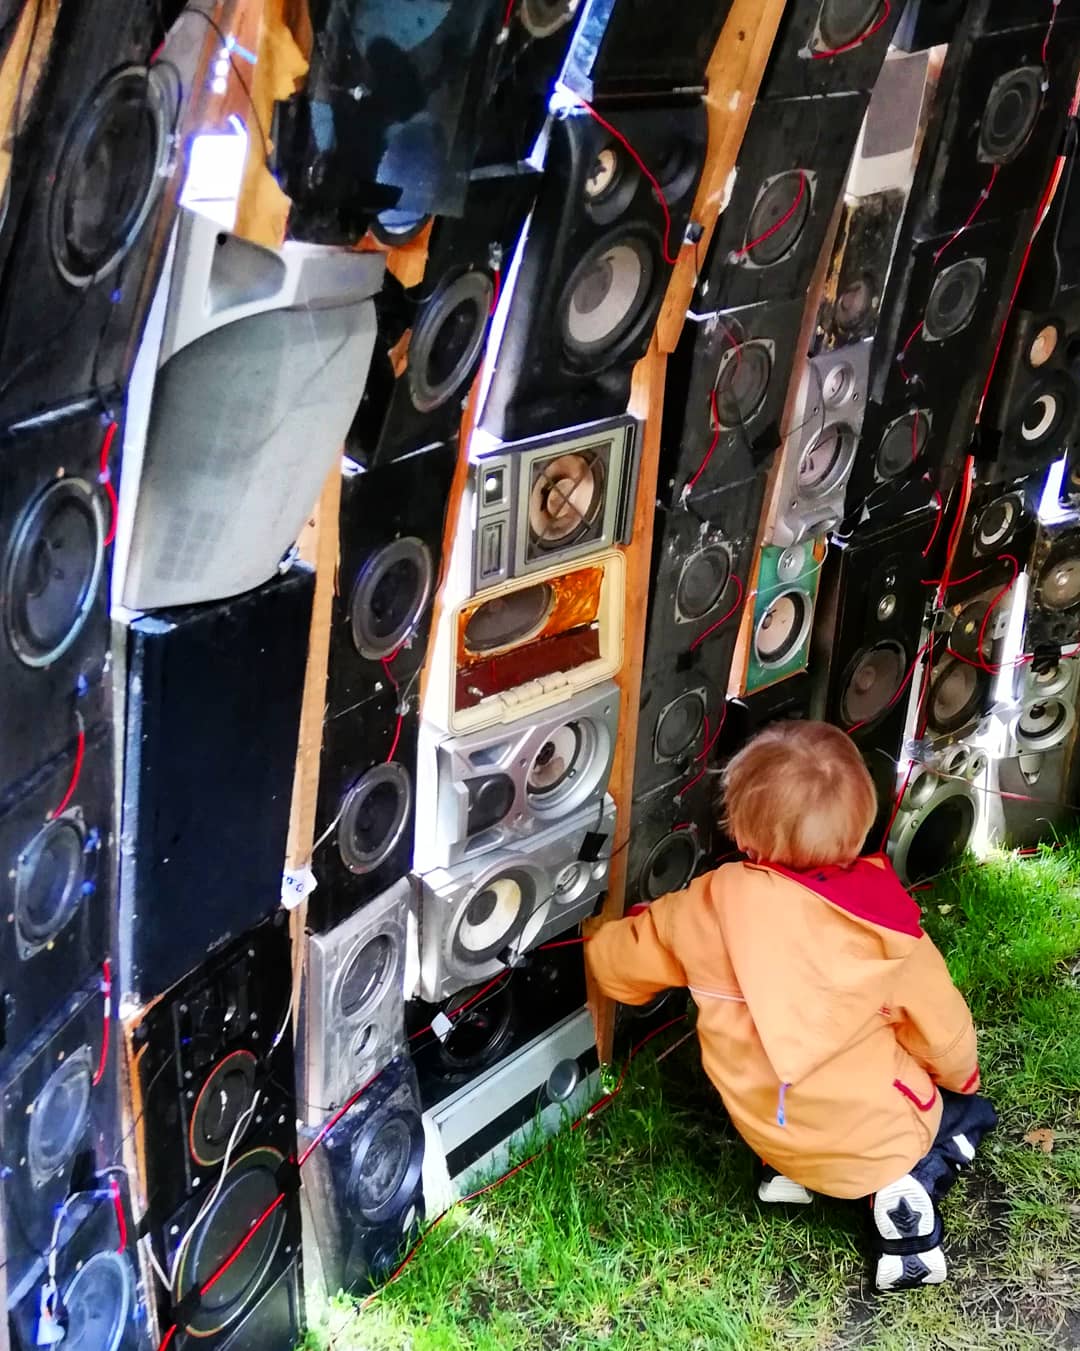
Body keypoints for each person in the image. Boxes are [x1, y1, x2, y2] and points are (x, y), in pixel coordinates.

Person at [587, 720, 997, 1292]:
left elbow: (618, 968)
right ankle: (906, 1199)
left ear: (741, 830)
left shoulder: (706, 907)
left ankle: (786, 1174)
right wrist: (961, 1078)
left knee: (792, 1092)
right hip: (872, 1140)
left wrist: (594, 936)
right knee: (965, 1111)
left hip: (769, 1128)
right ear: (860, 827)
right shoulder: (886, 927)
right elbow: (943, 1029)